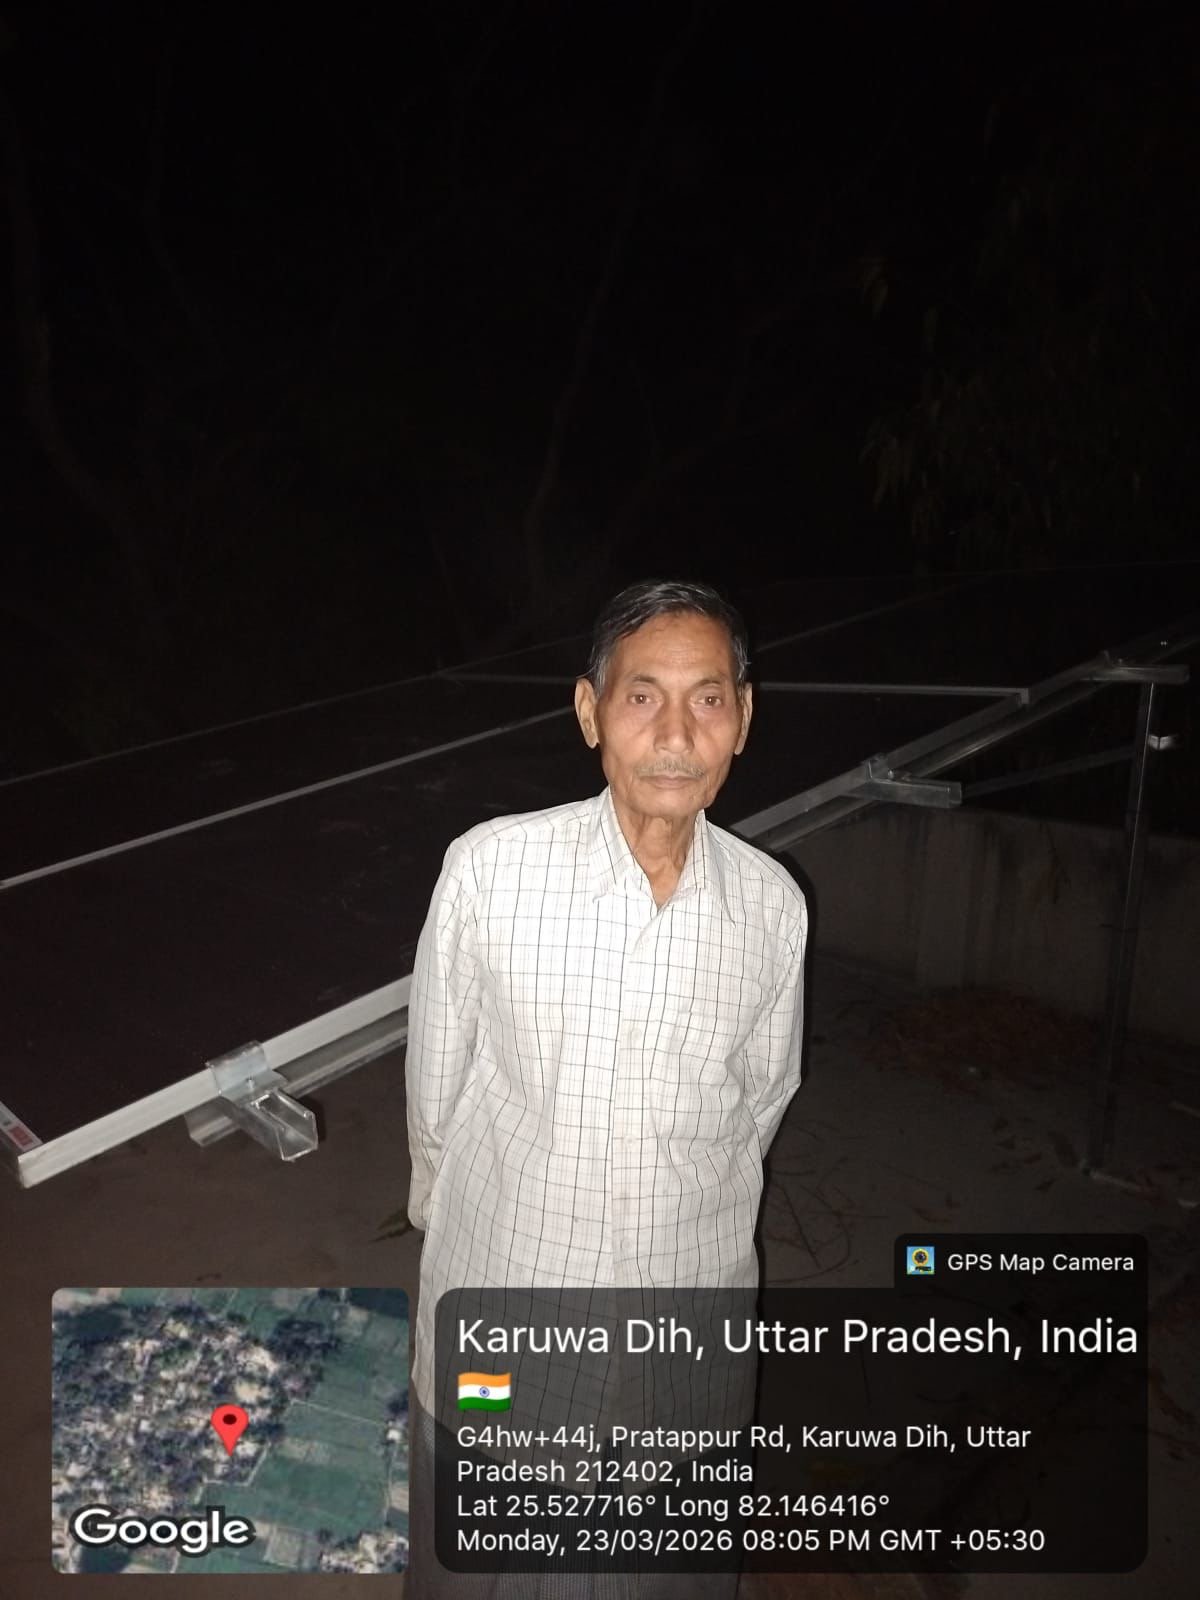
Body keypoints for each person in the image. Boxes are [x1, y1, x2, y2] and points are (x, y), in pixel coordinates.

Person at [404, 579, 808, 1598]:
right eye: (641, 696)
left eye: (707, 698)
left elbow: (761, 1102)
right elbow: (434, 1096)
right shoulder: (492, 873)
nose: (675, 733)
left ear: (743, 718)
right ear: (589, 712)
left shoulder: (772, 908)